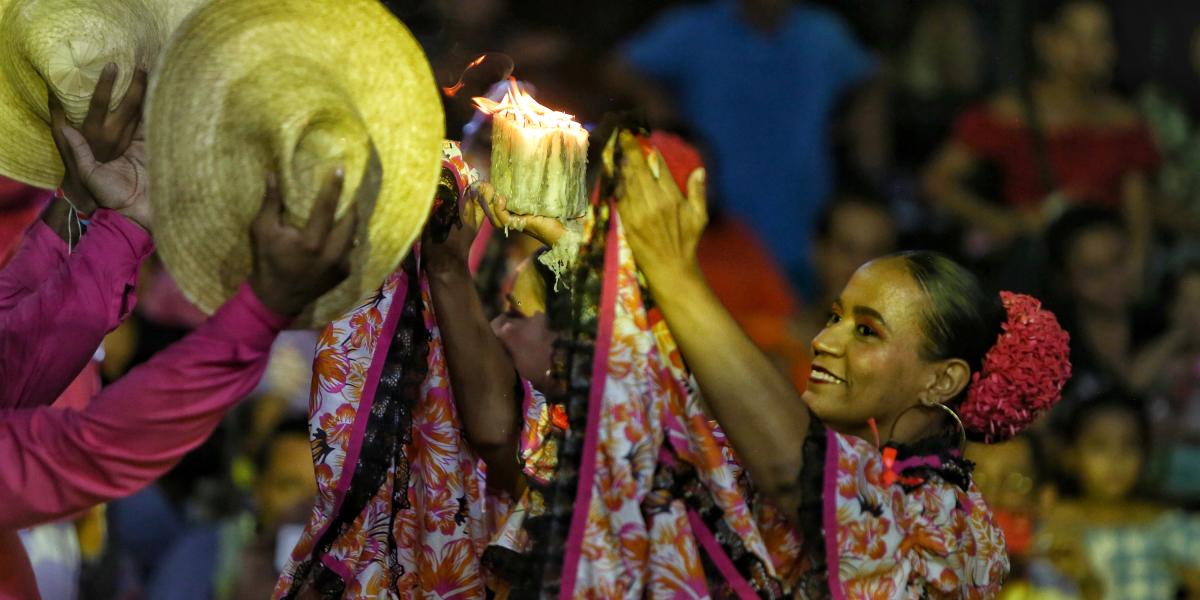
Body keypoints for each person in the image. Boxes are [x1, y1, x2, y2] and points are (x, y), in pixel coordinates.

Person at [614, 130, 1073, 595]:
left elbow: (797, 477)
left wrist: (675, 273)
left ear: (941, 380)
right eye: (834, 317)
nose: (824, 341)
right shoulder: (770, 457)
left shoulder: (949, 521)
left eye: (867, 331)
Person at [610, 0, 879, 292]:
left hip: (801, 229)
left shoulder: (823, 35)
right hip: (715, 234)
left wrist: (867, 154)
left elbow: (872, 79)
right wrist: (662, 114)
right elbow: (620, 68)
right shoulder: (696, 28)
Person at [923, 0, 1158, 272]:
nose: (1085, 50)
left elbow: (1138, 212)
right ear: (1045, 40)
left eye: (1098, 38)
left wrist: (1135, 267)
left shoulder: (1125, 122)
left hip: (1103, 270)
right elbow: (936, 181)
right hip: (1036, 267)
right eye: (1073, 36)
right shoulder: (1012, 113)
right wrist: (1002, 220)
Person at [1036, 391, 1200, 599]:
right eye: (1099, 446)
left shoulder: (1166, 528)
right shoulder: (1053, 528)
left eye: (1129, 446)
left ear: (1146, 455)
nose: (1116, 459)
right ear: (1071, 455)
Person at [146, 417, 317, 600]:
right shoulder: (210, 553)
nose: (309, 504)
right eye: (290, 486)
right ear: (258, 488)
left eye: (327, 492)